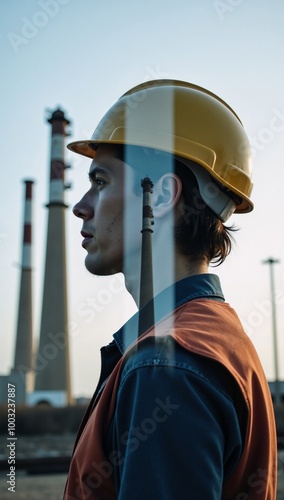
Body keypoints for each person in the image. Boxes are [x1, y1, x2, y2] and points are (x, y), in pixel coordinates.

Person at [64, 80, 277, 499]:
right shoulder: (216, 338)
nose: (81, 205)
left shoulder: (166, 366)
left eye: (101, 181)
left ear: (160, 194)